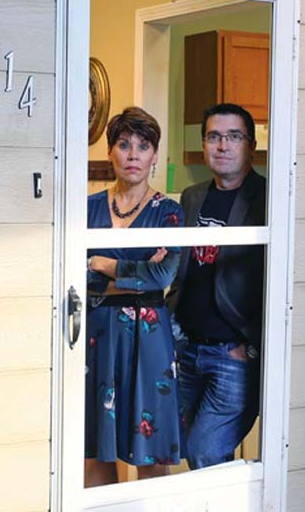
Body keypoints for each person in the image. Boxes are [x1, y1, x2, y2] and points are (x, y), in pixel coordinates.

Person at [84, 106, 184, 487]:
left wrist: (103, 264)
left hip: (150, 341)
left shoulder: (169, 213)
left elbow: (161, 276)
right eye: (124, 145)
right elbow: (73, 276)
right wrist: (133, 275)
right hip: (97, 337)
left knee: (152, 454)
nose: (133, 155)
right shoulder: (87, 208)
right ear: (110, 151)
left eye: (143, 147)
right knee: (96, 449)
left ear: (154, 155)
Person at [166, 103, 266, 469]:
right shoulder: (192, 197)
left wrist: (251, 346)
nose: (222, 145)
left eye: (233, 136)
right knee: (168, 445)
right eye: (213, 136)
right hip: (185, 347)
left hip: (233, 356)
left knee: (206, 452)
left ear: (251, 146)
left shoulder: (269, 200)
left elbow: (280, 281)